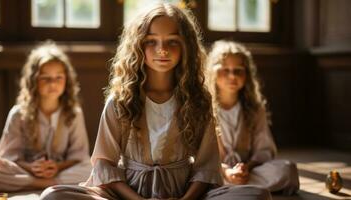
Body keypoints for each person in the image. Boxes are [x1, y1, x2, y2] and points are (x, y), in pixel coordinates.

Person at [40, 3, 271, 200]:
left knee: (257, 195)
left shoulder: (198, 99)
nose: (162, 50)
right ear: (138, 45)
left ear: (186, 46)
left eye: (172, 42)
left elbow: (206, 167)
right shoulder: (120, 100)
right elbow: (104, 165)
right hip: (127, 193)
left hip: (184, 191)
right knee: (53, 195)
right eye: (151, 41)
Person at [0, 42, 92, 192]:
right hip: (25, 171)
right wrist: (32, 167)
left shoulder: (73, 113)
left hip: (61, 172)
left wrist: (57, 166)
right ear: (33, 80)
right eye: (45, 78)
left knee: (94, 167)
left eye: (58, 77)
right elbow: (8, 156)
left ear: (67, 80)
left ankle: (35, 184)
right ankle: (48, 184)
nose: (52, 83)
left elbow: (79, 156)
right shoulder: (18, 113)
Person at [205, 40, 300, 195]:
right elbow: (199, 156)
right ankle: (235, 187)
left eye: (238, 70)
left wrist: (246, 168)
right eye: (225, 70)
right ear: (213, 72)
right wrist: (226, 171)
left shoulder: (255, 109)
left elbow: (264, 149)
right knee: (197, 177)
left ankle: (232, 188)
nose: (232, 76)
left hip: (249, 172)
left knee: (288, 170)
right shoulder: (204, 107)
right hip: (216, 171)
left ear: (246, 74)